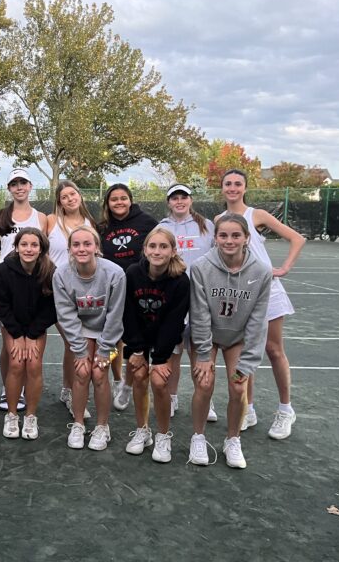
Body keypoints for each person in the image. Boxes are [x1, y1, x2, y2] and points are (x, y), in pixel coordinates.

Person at [220, 169, 306, 439]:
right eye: (228, 184)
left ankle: (285, 410)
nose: (233, 188)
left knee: (273, 350)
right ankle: (250, 408)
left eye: (238, 184)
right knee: (245, 353)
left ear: (245, 188)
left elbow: (297, 238)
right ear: (221, 188)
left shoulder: (256, 215)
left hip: (267, 290)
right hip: (239, 294)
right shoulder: (219, 220)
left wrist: (284, 268)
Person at [189, 214, 272, 469]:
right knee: (204, 384)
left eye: (236, 235)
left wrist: (247, 364)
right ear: (215, 238)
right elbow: (199, 314)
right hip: (209, 336)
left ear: (247, 238)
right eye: (223, 235)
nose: (229, 240)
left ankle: (233, 439)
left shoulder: (261, 272)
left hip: (237, 338)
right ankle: (198, 436)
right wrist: (204, 355)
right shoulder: (201, 267)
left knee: (239, 387)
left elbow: (258, 322)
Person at [53, 225, 126, 451]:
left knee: (99, 372)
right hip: (82, 329)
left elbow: (115, 316)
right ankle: (78, 423)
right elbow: (66, 315)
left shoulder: (115, 273)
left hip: (107, 329)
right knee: (83, 371)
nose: (82, 248)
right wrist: (80, 350)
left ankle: (102, 426)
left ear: (97, 247)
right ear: (69, 249)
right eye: (76, 244)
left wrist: (104, 350)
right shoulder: (61, 274)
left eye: (87, 244)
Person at [122, 227, 190, 463]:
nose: (157, 251)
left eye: (163, 246)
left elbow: (173, 322)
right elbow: (128, 314)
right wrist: (138, 350)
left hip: (166, 339)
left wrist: (160, 359)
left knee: (160, 382)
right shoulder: (132, 273)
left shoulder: (180, 281)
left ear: (173, 251)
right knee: (139, 375)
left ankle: (163, 435)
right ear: (145, 249)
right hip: (139, 336)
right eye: (153, 246)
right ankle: (142, 430)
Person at [158, 183, 217, 421]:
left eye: (183, 197)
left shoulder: (207, 225)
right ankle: (171, 398)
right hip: (173, 297)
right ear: (169, 202)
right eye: (174, 198)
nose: (179, 201)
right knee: (173, 351)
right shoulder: (162, 227)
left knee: (200, 351)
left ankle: (206, 399)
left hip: (202, 297)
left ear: (190, 200)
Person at [0, 227, 57, 440]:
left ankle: (30, 416)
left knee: (34, 364)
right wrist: (18, 335)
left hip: (36, 326)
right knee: (17, 363)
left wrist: (31, 335)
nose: (29, 249)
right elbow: (1, 306)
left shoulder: (50, 271)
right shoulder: (2, 271)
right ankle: (12, 414)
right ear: (17, 247)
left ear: (41, 249)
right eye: (24, 244)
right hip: (12, 324)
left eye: (34, 245)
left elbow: (51, 309)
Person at [98, 183, 158, 411]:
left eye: (123, 198)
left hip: (140, 288)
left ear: (130, 200)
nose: (119, 202)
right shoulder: (103, 227)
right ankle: (118, 379)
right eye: (114, 199)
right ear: (108, 203)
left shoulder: (147, 222)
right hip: (112, 288)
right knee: (113, 337)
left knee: (136, 340)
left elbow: (160, 248)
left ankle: (128, 384)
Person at [0, 169, 48, 411]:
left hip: (33, 284)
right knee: (10, 347)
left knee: (31, 352)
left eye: (23, 182)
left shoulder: (41, 217)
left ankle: (26, 391)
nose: (19, 187)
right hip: (7, 285)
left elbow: (44, 249)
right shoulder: (1, 216)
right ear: (9, 188)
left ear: (29, 186)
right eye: (14, 183)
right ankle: (9, 389)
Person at [47, 180, 96, 420]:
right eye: (64, 196)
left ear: (80, 196)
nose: (69, 198)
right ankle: (70, 391)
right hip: (56, 290)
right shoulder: (50, 221)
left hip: (84, 291)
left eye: (73, 193)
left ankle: (69, 391)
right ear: (59, 201)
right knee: (73, 341)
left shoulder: (90, 223)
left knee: (77, 343)